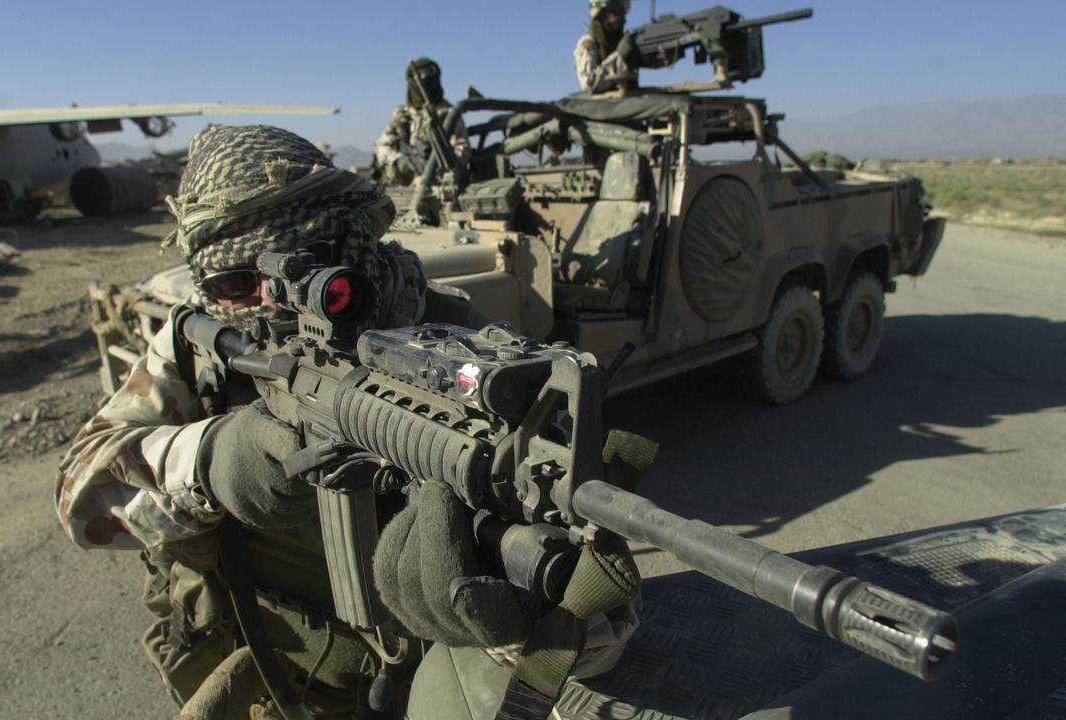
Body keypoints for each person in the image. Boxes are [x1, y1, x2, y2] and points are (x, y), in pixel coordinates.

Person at [55, 124, 636, 719]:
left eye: (307, 269)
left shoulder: (461, 348)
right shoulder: (201, 346)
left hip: (417, 683)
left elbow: (599, 626)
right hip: (261, 654)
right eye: (235, 285)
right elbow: (76, 496)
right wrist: (209, 462)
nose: (270, 302)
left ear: (353, 241)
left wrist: (514, 616)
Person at [372, 58, 470, 187]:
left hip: (436, 184)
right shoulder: (402, 114)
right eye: (417, 75)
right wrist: (399, 161)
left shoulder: (448, 114)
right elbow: (381, 145)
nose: (421, 80)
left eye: (426, 74)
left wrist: (435, 166)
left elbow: (462, 152)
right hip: (403, 184)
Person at [574, 0, 682, 94]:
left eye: (623, 12)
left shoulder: (621, 41)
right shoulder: (588, 44)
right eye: (616, 11)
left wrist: (673, 52)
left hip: (625, 99)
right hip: (601, 108)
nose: (621, 17)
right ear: (601, 13)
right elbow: (589, 84)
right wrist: (620, 55)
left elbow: (650, 61)